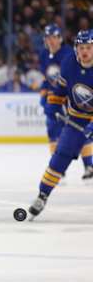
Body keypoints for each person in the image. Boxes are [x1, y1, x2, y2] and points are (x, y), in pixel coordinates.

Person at [29, 30, 93, 220]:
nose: (85, 52)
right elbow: (60, 90)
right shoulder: (68, 64)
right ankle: (42, 195)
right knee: (60, 157)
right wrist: (53, 104)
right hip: (76, 118)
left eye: (89, 48)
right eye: (81, 48)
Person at [39, 24, 93, 181]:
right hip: (54, 96)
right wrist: (45, 96)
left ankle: (89, 165)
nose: (51, 41)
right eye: (48, 38)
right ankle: (58, 169)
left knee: (80, 130)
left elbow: (74, 80)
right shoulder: (43, 54)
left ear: (59, 39)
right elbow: (46, 78)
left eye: (54, 37)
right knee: (52, 129)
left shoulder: (69, 54)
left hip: (71, 96)